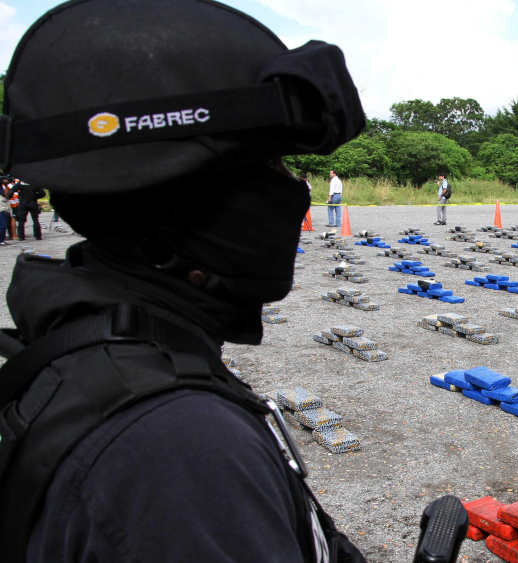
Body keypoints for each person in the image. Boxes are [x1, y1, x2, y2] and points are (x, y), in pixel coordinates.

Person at [0, 1, 367, 561]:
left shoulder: (95, 350)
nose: (292, 192)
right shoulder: (178, 449)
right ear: (187, 212)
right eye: (271, 168)